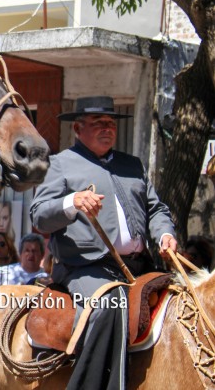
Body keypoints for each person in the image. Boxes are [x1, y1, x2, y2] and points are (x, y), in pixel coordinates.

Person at [30, 96, 177, 390]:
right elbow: (39, 216)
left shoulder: (132, 165)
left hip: (138, 266)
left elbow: (156, 210)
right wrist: (72, 202)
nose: (107, 128)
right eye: (98, 123)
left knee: (183, 302)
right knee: (110, 305)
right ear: (77, 129)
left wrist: (164, 233)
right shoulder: (59, 165)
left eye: (111, 123)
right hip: (86, 268)